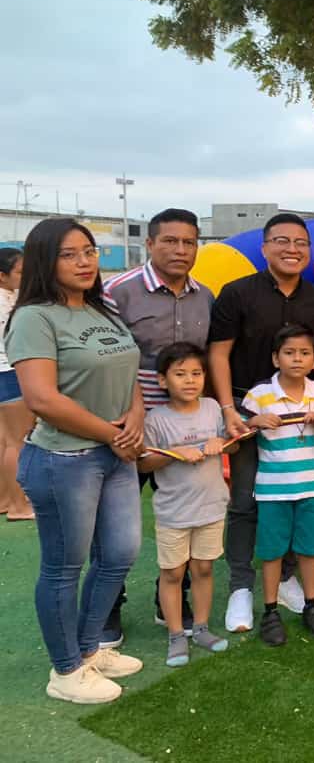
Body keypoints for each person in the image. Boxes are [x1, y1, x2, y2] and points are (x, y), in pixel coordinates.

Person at [6, 217, 144, 704]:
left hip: (116, 454)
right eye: (70, 254)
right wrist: (114, 434)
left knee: (120, 555)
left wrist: (135, 417)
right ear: (45, 260)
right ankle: (65, 671)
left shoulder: (101, 308)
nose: (85, 261)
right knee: (64, 566)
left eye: (89, 251)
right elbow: (41, 398)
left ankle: (88, 650)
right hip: (65, 460)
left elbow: (129, 373)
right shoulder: (34, 318)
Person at [207, 213, 314, 634]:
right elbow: (218, 353)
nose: (292, 249)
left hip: (299, 409)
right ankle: (241, 587)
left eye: (300, 242)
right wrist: (229, 410)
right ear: (265, 247)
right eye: (282, 241)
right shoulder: (237, 293)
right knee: (246, 500)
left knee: (293, 493)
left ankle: (285, 579)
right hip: (246, 408)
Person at [102, 207, 214, 644]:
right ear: (149, 244)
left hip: (185, 432)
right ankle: (108, 606)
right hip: (129, 429)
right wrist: (130, 416)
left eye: (189, 242)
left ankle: (170, 598)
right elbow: (106, 360)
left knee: (185, 517)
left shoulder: (205, 296)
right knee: (117, 524)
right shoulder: (118, 292)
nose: (180, 250)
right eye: (170, 241)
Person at [138, 342, 234, 667]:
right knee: (173, 573)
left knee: (204, 568)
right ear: (162, 380)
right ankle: (176, 634)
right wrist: (174, 454)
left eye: (196, 373)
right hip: (174, 511)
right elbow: (143, 462)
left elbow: (233, 446)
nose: (190, 380)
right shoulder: (155, 419)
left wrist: (222, 442)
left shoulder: (212, 408)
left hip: (212, 506)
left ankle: (202, 628)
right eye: (180, 374)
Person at [242, 325, 314, 646]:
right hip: (273, 489)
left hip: (312, 487)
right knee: (272, 551)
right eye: (290, 352)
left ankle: (312, 605)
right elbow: (239, 430)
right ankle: (270, 611)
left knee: (310, 549)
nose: (297, 359)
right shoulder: (259, 395)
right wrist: (254, 422)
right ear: (275, 358)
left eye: (305, 353)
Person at [0, 247, 34, 521]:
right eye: (21, 272)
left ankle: (4, 499)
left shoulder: (12, 298)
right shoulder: (11, 304)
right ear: (2, 276)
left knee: (4, 441)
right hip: (11, 374)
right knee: (17, 442)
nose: (27, 277)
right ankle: (19, 506)